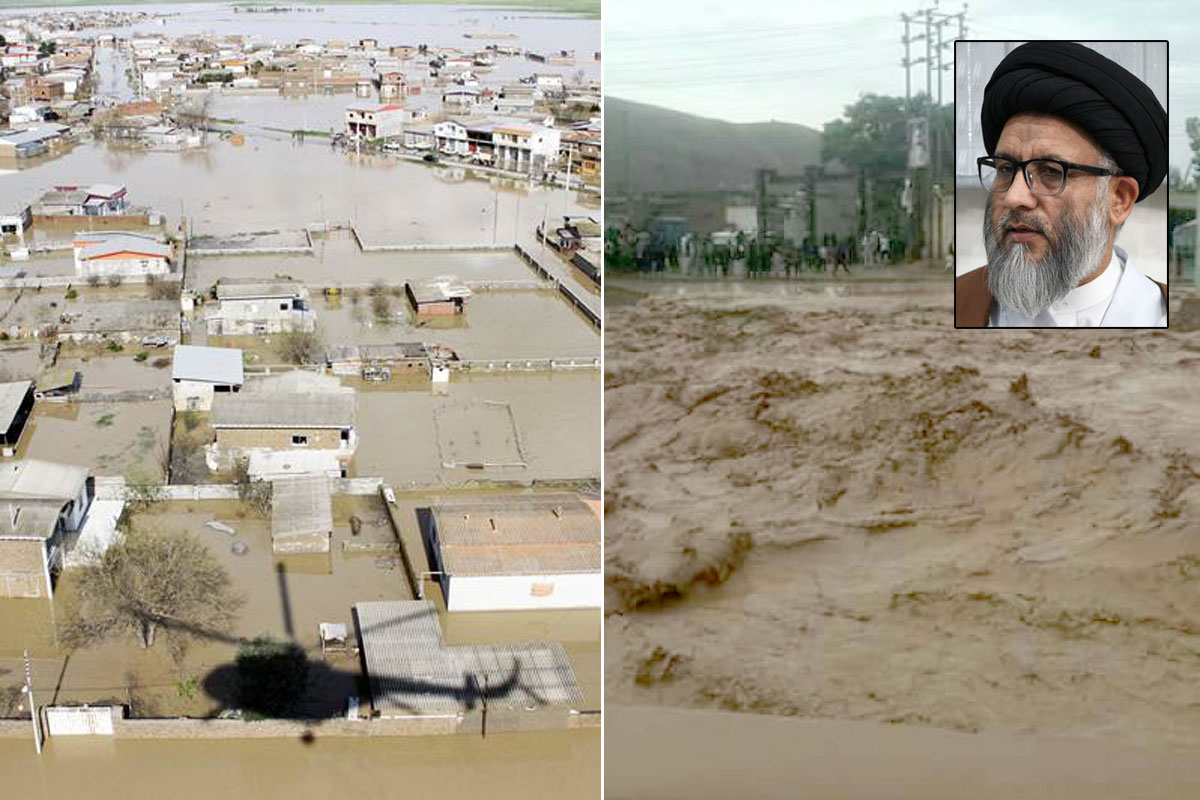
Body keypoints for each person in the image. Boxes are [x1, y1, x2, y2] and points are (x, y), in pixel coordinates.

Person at [956, 41, 1167, 327]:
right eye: (1006, 169)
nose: (1015, 197)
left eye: (1051, 172)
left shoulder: (1161, 317)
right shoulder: (959, 303)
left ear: (1119, 199)